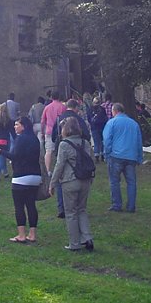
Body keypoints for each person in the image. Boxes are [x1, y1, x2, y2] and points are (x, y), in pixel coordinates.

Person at [0, 116, 41, 243]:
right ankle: (32, 234)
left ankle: (21, 235)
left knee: (19, 206)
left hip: (21, 177)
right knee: (31, 205)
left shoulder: (20, 139)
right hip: (35, 176)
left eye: (17, 124)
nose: (14, 127)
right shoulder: (35, 139)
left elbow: (15, 156)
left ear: (23, 126)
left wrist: (0, 152)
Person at [49, 116, 95, 251]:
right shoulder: (85, 143)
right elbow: (91, 160)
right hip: (85, 180)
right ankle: (87, 238)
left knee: (71, 213)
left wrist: (53, 183)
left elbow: (59, 165)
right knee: (82, 210)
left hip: (70, 181)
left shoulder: (64, 145)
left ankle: (74, 243)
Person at [50, 99, 91, 218]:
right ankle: (77, 206)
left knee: (61, 174)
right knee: (77, 173)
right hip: (78, 150)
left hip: (61, 148)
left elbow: (53, 136)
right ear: (76, 108)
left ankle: (61, 207)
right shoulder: (78, 120)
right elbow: (87, 136)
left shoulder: (59, 119)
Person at [102, 102, 143, 212]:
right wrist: (139, 157)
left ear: (114, 111)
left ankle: (117, 204)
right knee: (131, 182)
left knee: (115, 181)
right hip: (131, 156)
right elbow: (139, 142)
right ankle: (131, 206)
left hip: (116, 156)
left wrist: (107, 153)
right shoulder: (134, 124)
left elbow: (107, 140)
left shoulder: (112, 123)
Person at [41, 91, 65, 178]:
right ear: (59, 97)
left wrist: (42, 132)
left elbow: (43, 121)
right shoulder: (63, 107)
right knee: (60, 150)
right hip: (60, 131)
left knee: (48, 151)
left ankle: (47, 170)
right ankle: (60, 168)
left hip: (49, 131)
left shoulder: (47, 107)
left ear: (51, 97)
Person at [89, 97, 109, 162]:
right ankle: (102, 155)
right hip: (102, 127)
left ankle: (97, 156)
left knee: (96, 142)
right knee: (102, 141)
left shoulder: (90, 109)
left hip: (94, 127)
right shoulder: (102, 109)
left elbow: (89, 119)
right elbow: (105, 118)